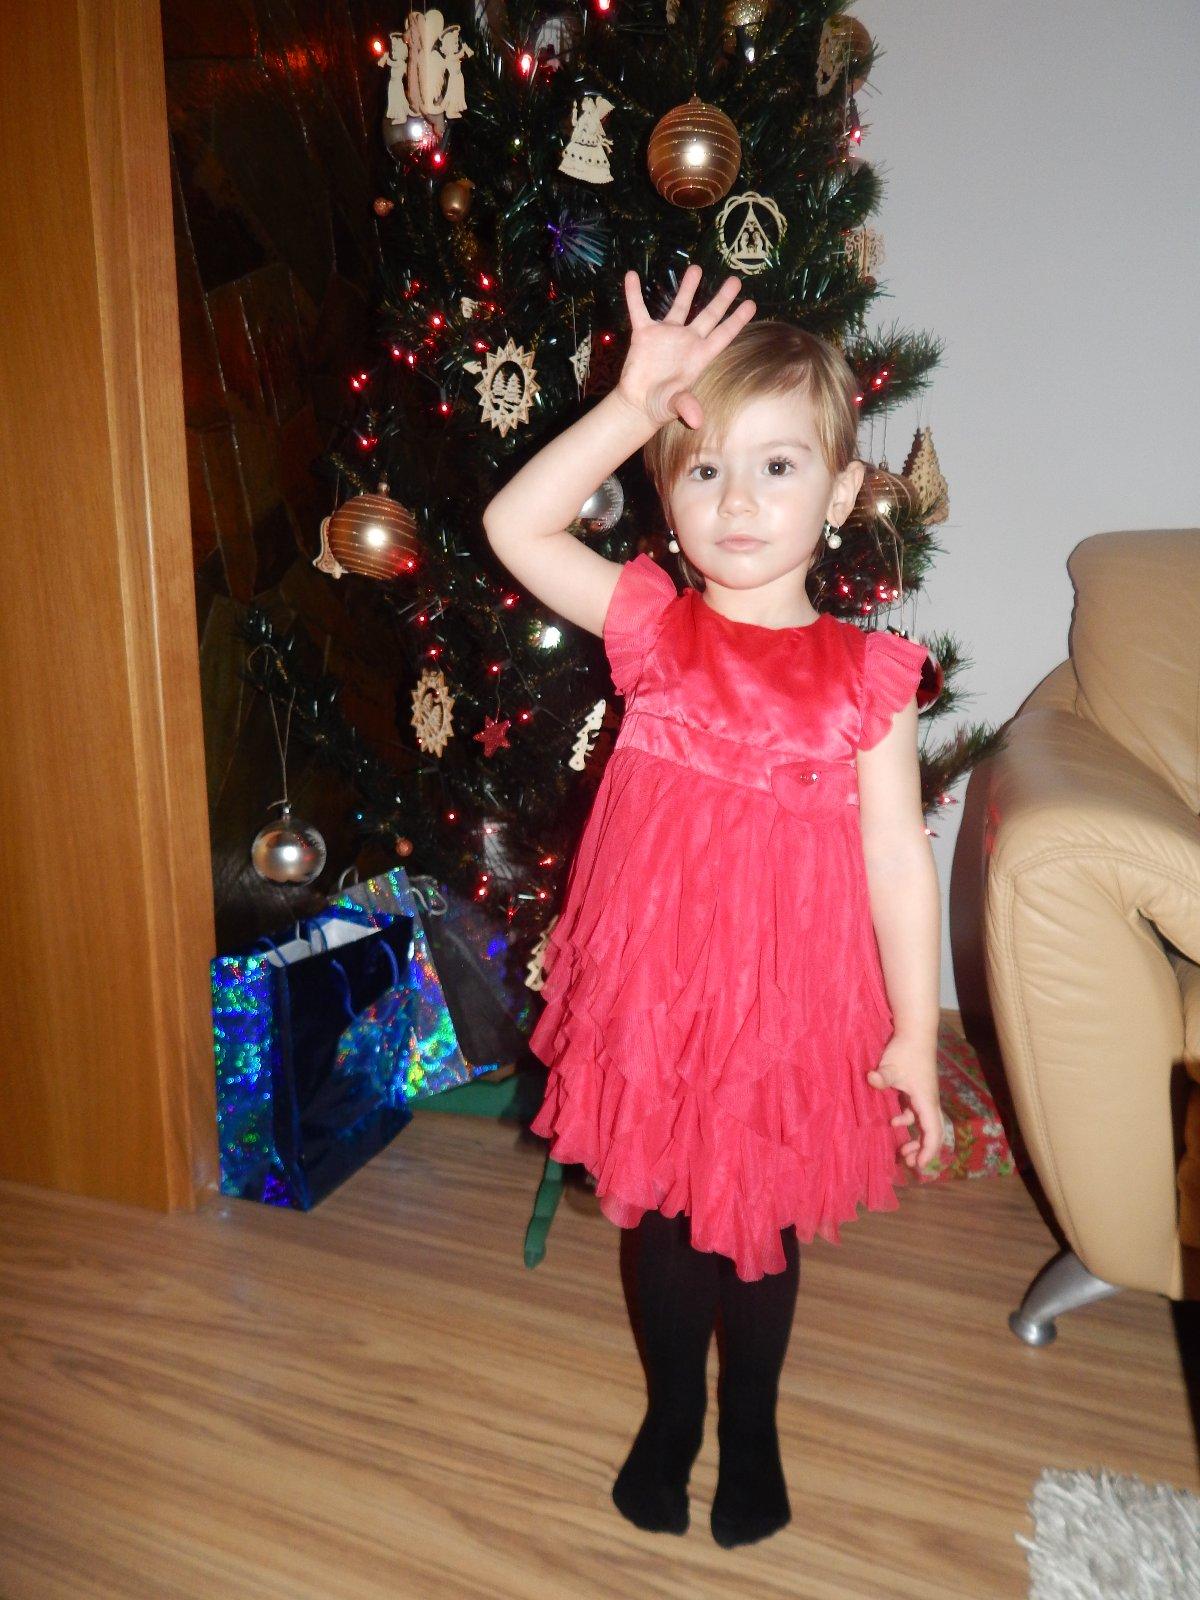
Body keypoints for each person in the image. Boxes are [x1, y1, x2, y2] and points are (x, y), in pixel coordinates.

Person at [482, 263, 943, 1549]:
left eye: (778, 467)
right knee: (673, 1218)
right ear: (667, 490)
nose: (738, 500)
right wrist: (633, 405)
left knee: (761, 1224)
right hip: (661, 993)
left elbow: (898, 856)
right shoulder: (649, 622)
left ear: (841, 493)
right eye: (704, 468)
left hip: (791, 1002)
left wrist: (916, 1032)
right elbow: (517, 525)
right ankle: (673, 1412)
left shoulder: (867, 675)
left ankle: (753, 1427)